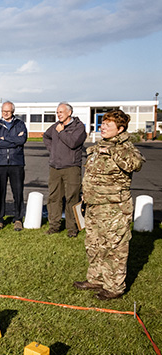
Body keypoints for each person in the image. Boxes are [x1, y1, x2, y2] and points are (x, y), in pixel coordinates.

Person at [74, 110, 145, 300]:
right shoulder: (98, 146)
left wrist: (113, 151)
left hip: (114, 207)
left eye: (108, 124)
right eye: (102, 123)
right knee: (94, 244)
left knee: (114, 247)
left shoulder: (125, 147)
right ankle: (96, 278)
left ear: (120, 129)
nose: (102, 127)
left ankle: (114, 287)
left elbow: (135, 164)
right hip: (94, 205)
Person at [43, 102, 87, 237]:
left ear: (69, 113)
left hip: (71, 167)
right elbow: (46, 136)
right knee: (54, 197)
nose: (58, 115)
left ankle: (72, 228)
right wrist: (53, 151)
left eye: (61, 112)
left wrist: (62, 132)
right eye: (57, 112)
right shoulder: (55, 126)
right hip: (55, 167)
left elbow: (73, 143)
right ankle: (54, 226)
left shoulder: (78, 128)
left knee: (72, 198)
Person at [0, 101, 27, 231]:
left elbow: (22, 140)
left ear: (13, 112)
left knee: (18, 192)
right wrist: (14, 139)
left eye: (8, 111)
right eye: (3, 111)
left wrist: (5, 139)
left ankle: (18, 219)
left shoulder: (20, 124)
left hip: (16, 163)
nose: (5, 113)